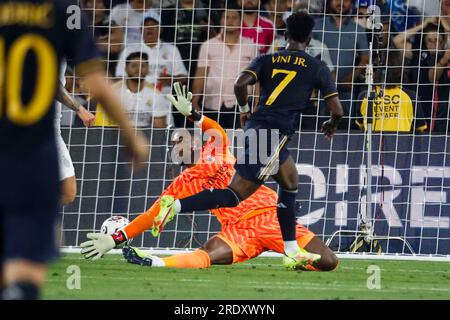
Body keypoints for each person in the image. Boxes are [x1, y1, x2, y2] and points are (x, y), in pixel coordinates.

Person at [153, 11, 344, 270]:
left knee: (290, 182)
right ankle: (175, 205)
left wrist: (244, 110)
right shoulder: (316, 66)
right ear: (309, 38)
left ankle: (290, 251)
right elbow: (337, 110)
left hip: (262, 130)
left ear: (285, 35)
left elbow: (240, 83)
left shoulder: (267, 58)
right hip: (272, 134)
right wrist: (331, 125)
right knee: (235, 195)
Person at [80, 89, 339, 271]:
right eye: (177, 142)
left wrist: (194, 115)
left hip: (270, 215)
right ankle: (157, 262)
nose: (184, 140)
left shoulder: (214, 149)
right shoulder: (184, 182)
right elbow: (152, 214)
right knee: (208, 253)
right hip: (239, 230)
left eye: (186, 136)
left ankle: (294, 261)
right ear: (176, 155)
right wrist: (117, 238)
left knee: (328, 262)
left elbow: (214, 129)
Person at [0, 0, 149, 300]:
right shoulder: (65, 13)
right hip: (33, 145)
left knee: (66, 194)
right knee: (26, 275)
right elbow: (94, 78)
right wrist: (129, 133)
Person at [191, 4, 259, 129]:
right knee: (211, 145)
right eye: (227, 17)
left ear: (240, 21)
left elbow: (256, 79)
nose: (230, 20)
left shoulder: (251, 46)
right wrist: (194, 101)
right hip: (212, 104)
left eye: (234, 17)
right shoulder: (208, 45)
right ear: (221, 20)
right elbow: (201, 74)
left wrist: (256, 103)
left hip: (241, 106)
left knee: (238, 145)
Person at [355, 51, 428, 132]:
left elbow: (361, 128)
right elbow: (420, 130)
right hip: (401, 144)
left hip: (372, 144)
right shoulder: (411, 96)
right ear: (401, 70)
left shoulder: (365, 96)